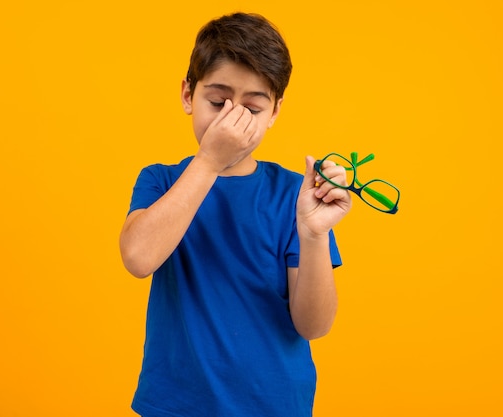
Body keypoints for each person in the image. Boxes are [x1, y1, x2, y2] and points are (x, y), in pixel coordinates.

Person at [119, 12, 352, 417]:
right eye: (218, 102)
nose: (232, 121)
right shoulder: (160, 181)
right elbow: (138, 258)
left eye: (252, 108)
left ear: (275, 112)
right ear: (188, 95)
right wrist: (209, 160)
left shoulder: (293, 196)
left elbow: (313, 326)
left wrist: (313, 234)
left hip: (275, 405)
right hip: (177, 406)